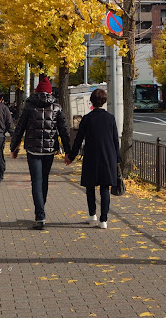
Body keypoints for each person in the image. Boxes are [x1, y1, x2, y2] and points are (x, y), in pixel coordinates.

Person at [10, 75, 71, 230]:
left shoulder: (29, 106)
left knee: (36, 181)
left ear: (37, 92)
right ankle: (41, 210)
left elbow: (20, 128)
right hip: (49, 150)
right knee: (44, 180)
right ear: (50, 93)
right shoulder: (57, 108)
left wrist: (14, 147)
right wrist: (69, 152)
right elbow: (64, 131)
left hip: (32, 149)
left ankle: (40, 215)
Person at [65, 88, 120, 229]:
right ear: (104, 101)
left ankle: (92, 214)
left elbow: (78, 140)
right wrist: (117, 159)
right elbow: (115, 141)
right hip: (108, 156)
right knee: (104, 187)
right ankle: (104, 220)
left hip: (91, 156)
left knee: (90, 186)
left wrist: (71, 156)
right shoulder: (110, 118)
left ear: (91, 101)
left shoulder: (87, 119)